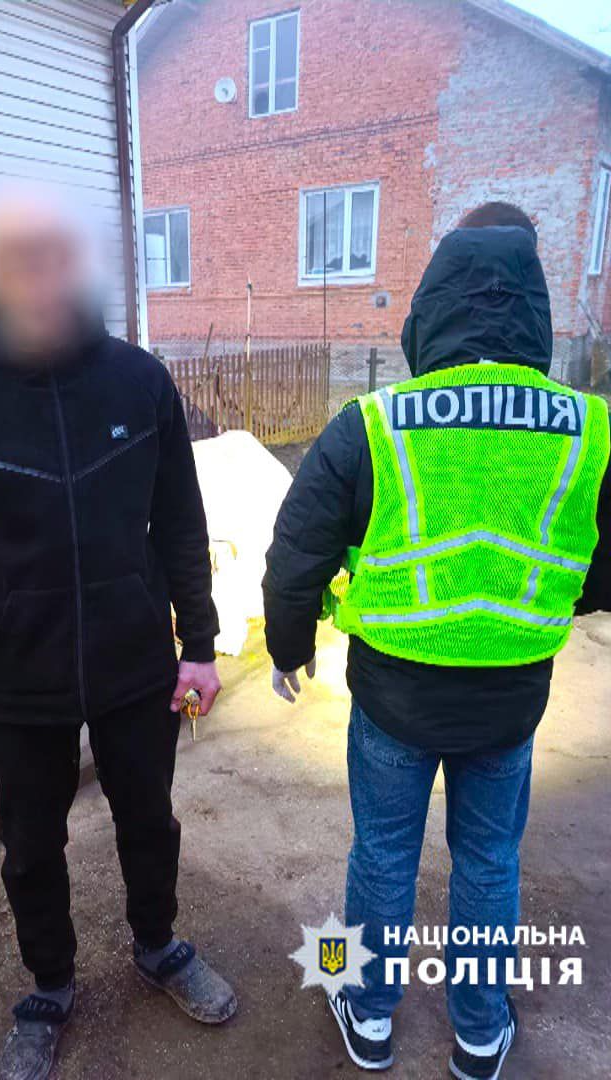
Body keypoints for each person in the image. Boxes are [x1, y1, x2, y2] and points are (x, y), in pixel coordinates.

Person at [263, 220, 611, 1079]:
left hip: (394, 696)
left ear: (429, 312)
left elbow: (298, 551)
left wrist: (288, 646)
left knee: (382, 856)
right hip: (511, 697)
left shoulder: (373, 425)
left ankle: (367, 1012)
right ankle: (480, 1034)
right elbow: (599, 568)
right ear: (536, 314)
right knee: (489, 862)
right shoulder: (589, 428)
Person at [0, 189, 237, 1080]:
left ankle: (158, 945)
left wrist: (199, 645)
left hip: (135, 663)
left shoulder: (139, 380)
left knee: (149, 821)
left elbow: (181, 522)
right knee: (29, 849)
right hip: (17, 675)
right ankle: (50, 986)